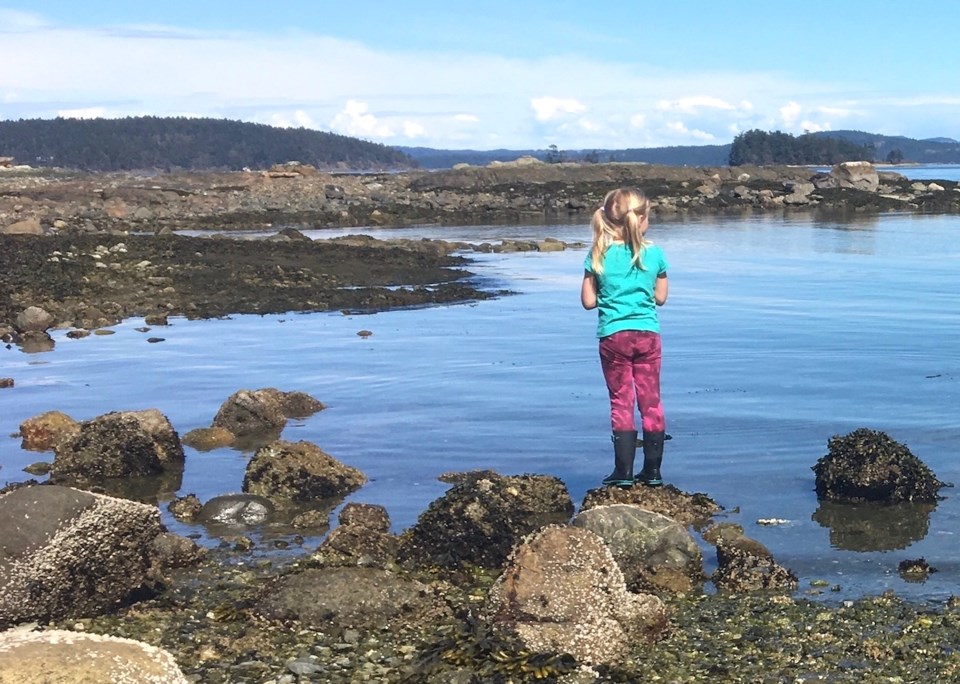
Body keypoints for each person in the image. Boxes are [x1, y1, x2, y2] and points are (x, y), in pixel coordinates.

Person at [581, 187, 669, 488]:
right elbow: (661, 298)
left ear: (606, 218)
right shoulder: (655, 254)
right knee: (651, 401)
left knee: (621, 401)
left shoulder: (597, 254)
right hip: (647, 335)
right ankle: (654, 472)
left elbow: (588, 302)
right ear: (642, 219)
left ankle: (624, 473)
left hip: (613, 337)